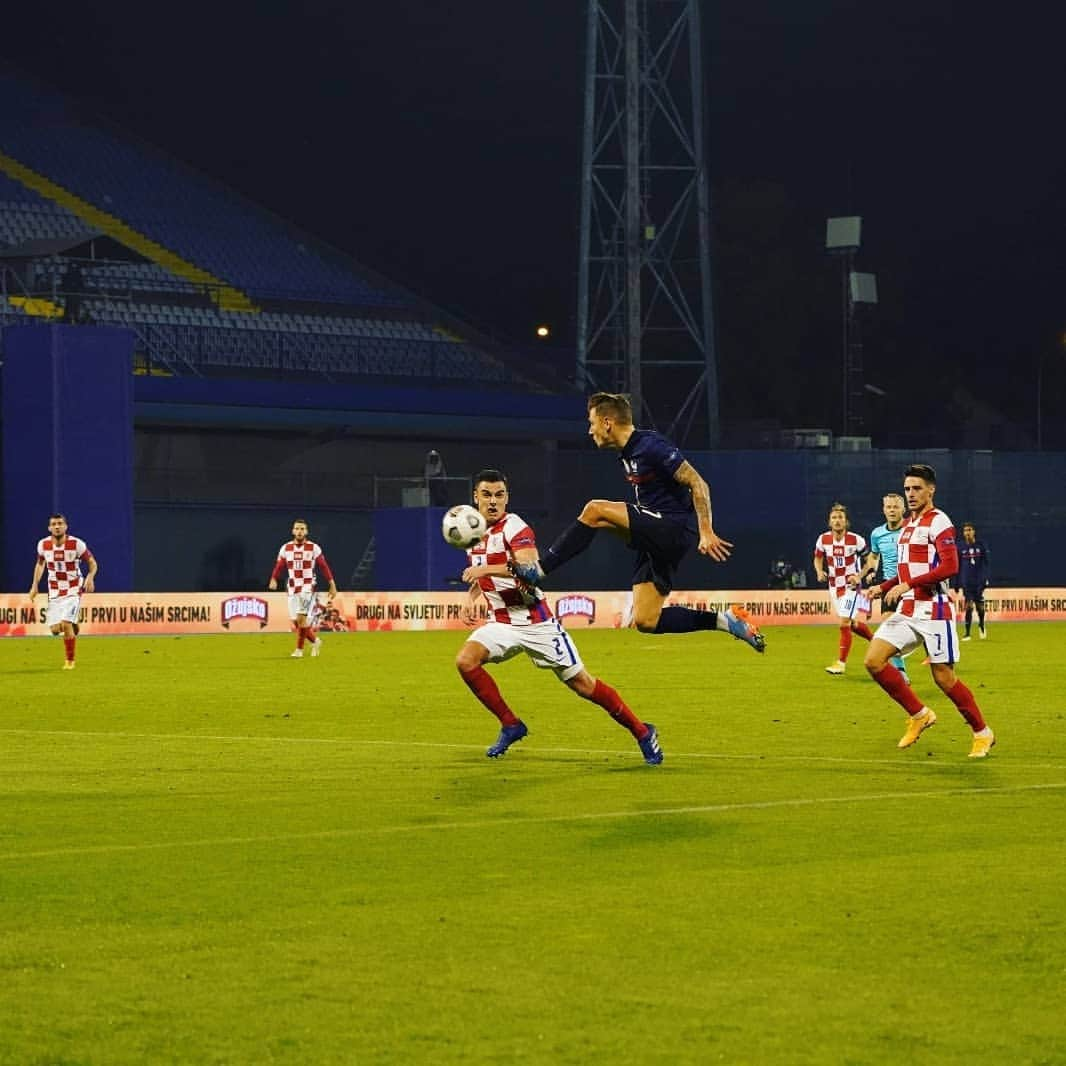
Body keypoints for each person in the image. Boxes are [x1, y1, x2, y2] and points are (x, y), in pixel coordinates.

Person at [510, 392, 765, 651]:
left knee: (594, 510)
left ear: (607, 422)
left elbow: (697, 482)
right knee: (646, 620)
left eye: (592, 422)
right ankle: (727, 621)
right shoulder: (628, 452)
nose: (590, 431)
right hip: (655, 535)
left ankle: (540, 570)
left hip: (672, 527)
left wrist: (706, 530)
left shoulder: (651, 445)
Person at [456, 468, 664, 764]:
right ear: (475, 497)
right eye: (487, 495)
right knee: (466, 661)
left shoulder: (516, 528)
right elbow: (482, 571)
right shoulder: (473, 532)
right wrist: (471, 597)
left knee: (584, 685)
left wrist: (485, 570)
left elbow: (530, 571)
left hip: (536, 623)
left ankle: (643, 732)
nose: (493, 501)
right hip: (502, 622)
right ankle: (511, 725)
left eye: (499, 495)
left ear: (507, 498)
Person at [856, 464, 995, 758]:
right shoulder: (908, 525)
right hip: (908, 608)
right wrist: (882, 587)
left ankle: (982, 733)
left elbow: (949, 567)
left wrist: (906, 584)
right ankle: (919, 715)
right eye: (907, 489)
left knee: (943, 677)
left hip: (934, 609)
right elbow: (906, 570)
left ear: (931, 490)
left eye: (917, 488)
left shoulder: (939, 522)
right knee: (873, 661)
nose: (911, 494)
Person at [28, 513, 97, 670]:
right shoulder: (43, 545)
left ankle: (69, 661)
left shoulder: (77, 544)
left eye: (60, 523)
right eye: (54, 524)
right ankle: (74, 621)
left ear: (66, 526)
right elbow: (40, 565)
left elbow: (93, 563)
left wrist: (90, 577)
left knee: (65, 624)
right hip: (54, 590)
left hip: (74, 587)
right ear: (49, 528)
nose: (57, 526)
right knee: (54, 630)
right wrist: (34, 585)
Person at [813, 503, 875, 675]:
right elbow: (817, 558)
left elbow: (869, 561)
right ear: (829, 522)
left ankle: (841, 663)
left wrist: (860, 576)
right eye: (834, 518)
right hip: (834, 587)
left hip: (852, 588)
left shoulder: (856, 540)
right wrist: (819, 571)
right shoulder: (823, 539)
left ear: (846, 522)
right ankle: (875, 640)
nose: (837, 521)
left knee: (844, 623)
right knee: (852, 624)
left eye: (840, 518)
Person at [859, 492, 910, 682]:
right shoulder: (877, 534)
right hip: (889, 586)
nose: (892, 510)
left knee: (921, 627)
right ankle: (901, 671)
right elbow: (873, 555)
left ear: (903, 509)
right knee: (890, 627)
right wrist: (871, 570)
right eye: (888, 507)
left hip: (909, 585)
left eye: (895, 507)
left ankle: (938, 658)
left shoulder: (911, 529)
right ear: (883, 510)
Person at [268, 519, 337, 658]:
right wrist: (273, 578)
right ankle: (316, 641)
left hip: (308, 586)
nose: (299, 531)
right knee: (296, 622)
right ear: (293, 531)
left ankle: (299, 650)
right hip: (292, 587)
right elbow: (279, 566)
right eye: (297, 529)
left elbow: (324, 566)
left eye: (302, 529)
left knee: (301, 618)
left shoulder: (313, 548)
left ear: (306, 531)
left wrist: (332, 584)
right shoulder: (285, 548)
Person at [954, 523, 990, 640]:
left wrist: (985, 579)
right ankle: (967, 633)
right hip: (966, 582)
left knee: (980, 607)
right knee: (968, 606)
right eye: (965, 530)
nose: (967, 533)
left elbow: (986, 564)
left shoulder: (981, 545)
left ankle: (981, 624)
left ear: (974, 531)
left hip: (979, 581)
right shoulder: (960, 547)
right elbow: (957, 565)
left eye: (969, 530)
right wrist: (956, 583)